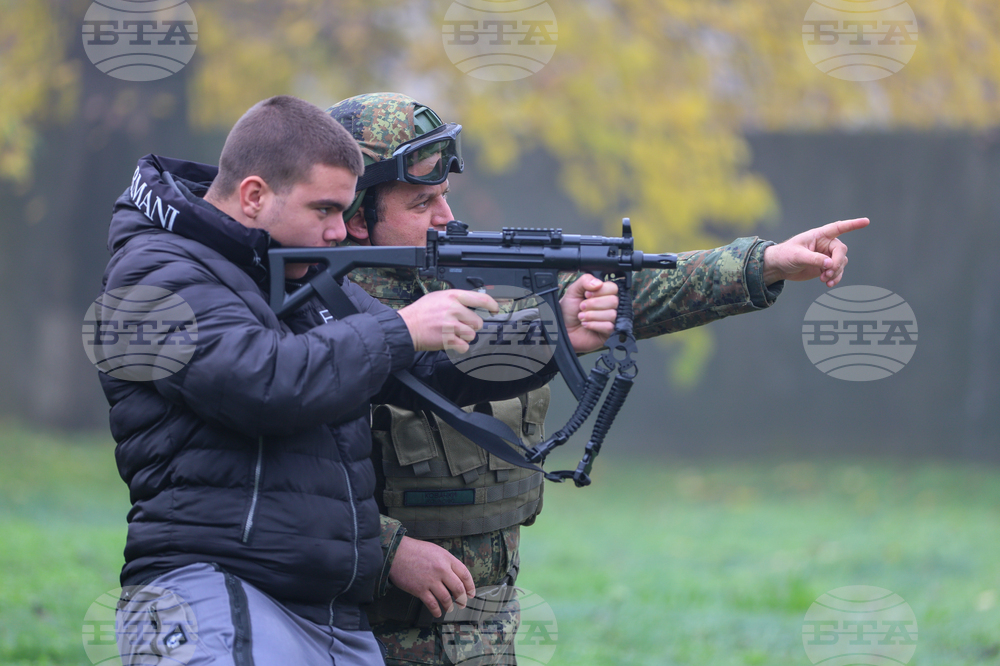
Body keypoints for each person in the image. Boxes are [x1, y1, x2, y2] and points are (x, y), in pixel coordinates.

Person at [324, 92, 870, 665]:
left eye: (444, 197)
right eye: (420, 203)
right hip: (369, 633)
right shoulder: (318, 315)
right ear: (357, 216)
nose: (446, 219)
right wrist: (387, 551)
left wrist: (763, 263)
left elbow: (624, 296)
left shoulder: (455, 286)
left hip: (479, 633)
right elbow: (282, 480)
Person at [97, 95, 618, 665]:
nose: (338, 234)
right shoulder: (156, 273)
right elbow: (261, 382)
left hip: (325, 606)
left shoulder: (290, 267)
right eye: (322, 211)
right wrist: (401, 328)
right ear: (253, 195)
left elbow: (425, 371)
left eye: (344, 212)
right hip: (215, 590)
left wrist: (552, 333)